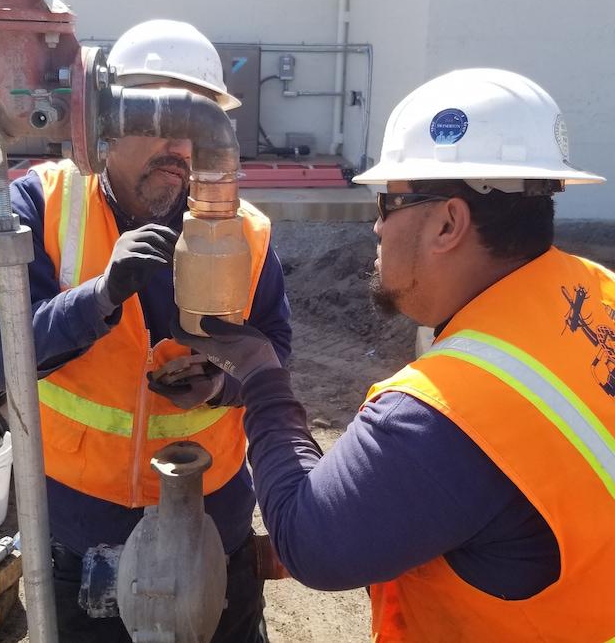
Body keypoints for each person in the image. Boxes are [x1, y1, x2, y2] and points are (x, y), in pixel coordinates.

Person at [173, 68, 615, 642]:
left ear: (448, 222)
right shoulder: (597, 295)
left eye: (388, 202)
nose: (377, 225)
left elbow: (312, 544)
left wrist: (261, 375)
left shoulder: (451, 411)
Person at [0, 19, 291, 643]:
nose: (177, 148)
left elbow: (278, 358)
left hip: (211, 527)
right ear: (106, 123)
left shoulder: (245, 234)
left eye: (195, 129)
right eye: (154, 122)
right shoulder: (42, 206)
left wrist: (221, 388)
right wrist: (99, 295)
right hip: (78, 533)